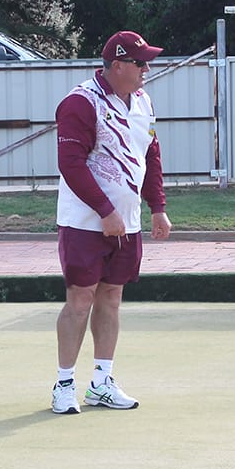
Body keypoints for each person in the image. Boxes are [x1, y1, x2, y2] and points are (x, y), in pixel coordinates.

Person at [51, 31, 173, 414]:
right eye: (140, 63)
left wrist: (157, 206)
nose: (147, 69)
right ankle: (63, 385)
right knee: (80, 299)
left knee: (112, 297)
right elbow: (70, 164)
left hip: (128, 222)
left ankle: (101, 382)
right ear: (117, 65)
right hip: (84, 221)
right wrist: (105, 211)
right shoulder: (80, 103)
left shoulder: (143, 102)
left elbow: (150, 154)